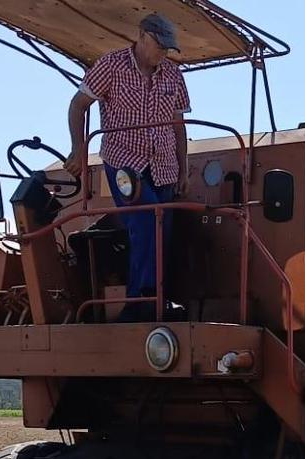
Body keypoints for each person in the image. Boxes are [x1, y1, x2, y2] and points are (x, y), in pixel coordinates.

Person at [63, 12, 191, 322]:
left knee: (165, 231)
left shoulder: (173, 75)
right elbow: (78, 105)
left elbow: (178, 126)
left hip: (163, 165)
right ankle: (139, 303)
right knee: (147, 220)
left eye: (168, 49)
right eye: (160, 46)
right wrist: (79, 149)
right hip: (124, 164)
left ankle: (156, 299)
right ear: (142, 36)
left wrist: (184, 168)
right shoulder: (111, 65)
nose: (163, 53)